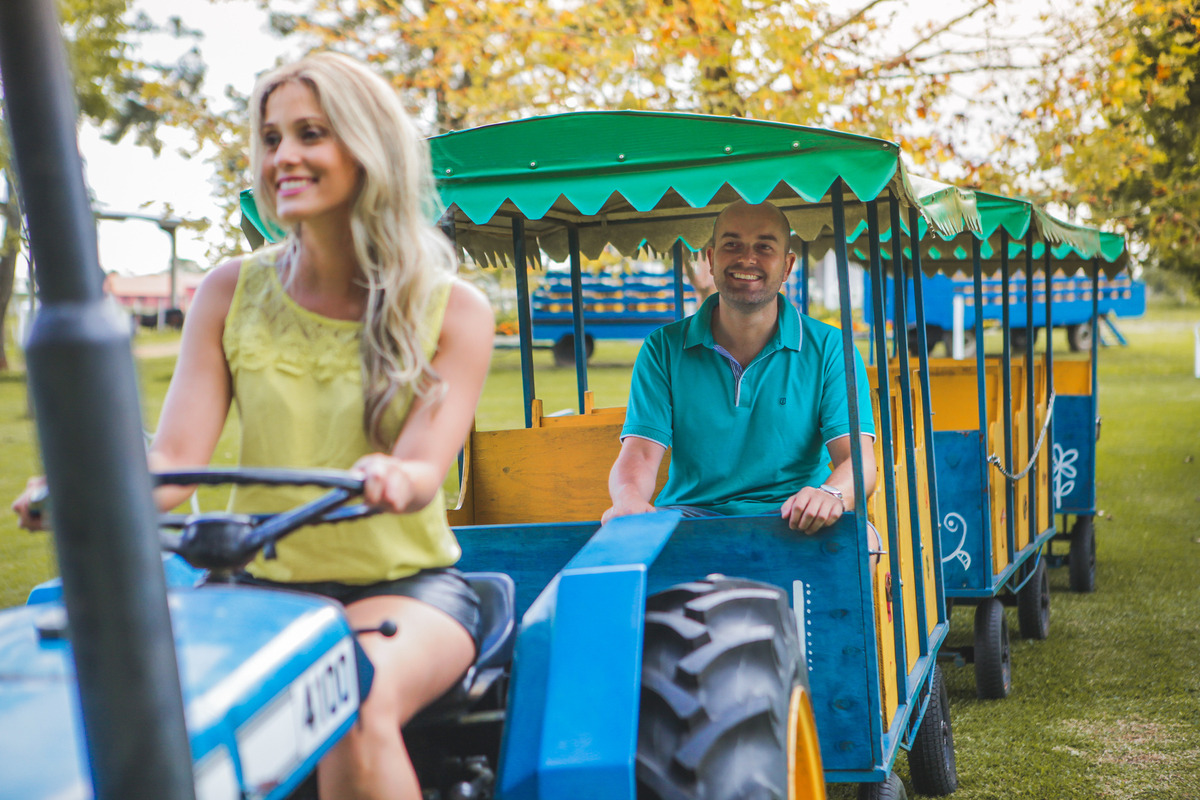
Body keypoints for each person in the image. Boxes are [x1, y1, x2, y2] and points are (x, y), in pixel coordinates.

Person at [14, 52, 494, 800]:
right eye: (271, 139)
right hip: (257, 588)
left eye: (310, 134)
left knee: (349, 693)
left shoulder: (452, 308)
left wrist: (393, 476)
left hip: (404, 588)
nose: (283, 157)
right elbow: (174, 464)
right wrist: (85, 493)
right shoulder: (229, 292)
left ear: (368, 148)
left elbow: (423, 468)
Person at [603, 199, 878, 537]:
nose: (747, 258)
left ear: (787, 266)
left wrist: (830, 494)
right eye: (732, 245)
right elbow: (641, 453)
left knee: (863, 542)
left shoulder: (831, 348)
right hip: (690, 518)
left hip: (796, 518)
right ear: (711, 258)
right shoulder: (663, 348)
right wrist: (628, 497)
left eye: (764, 247)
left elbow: (858, 461)